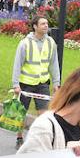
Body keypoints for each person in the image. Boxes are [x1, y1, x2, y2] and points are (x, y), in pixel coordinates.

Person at [10, 16, 61, 148]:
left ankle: (38, 140)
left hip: (42, 84)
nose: (46, 26)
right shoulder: (25, 43)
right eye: (43, 24)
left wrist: (56, 83)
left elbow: (54, 64)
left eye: (47, 24)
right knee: (21, 113)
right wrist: (15, 84)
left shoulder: (51, 43)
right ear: (35, 26)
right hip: (25, 84)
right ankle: (19, 138)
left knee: (43, 116)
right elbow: (17, 64)